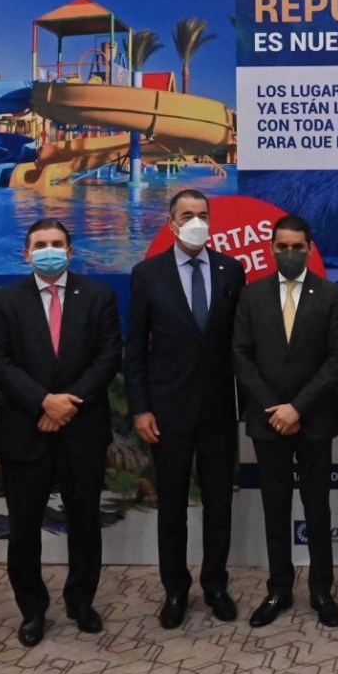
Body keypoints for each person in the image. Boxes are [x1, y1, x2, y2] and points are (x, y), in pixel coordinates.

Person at [0, 220, 121, 646]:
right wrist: (43, 402)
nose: (48, 250)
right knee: (24, 528)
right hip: (24, 430)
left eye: (56, 244)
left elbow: (108, 356)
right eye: (40, 244)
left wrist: (66, 404)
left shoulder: (98, 296)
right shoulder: (4, 301)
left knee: (84, 522)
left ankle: (81, 602)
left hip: (81, 430)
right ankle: (32, 610)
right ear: (26, 253)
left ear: (70, 251)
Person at [125, 188, 246, 629]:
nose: (196, 221)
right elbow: (135, 348)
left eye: (203, 214)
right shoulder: (147, 274)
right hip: (167, 410)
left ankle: (215, 585)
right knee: (172, 504)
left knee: (219, 503)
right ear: (171, 222)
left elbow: (239, 344)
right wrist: (140, 408)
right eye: (187, 214)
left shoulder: (231, 270)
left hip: (218, 409)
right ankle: (175, 590)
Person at [233, 215, 338, 628]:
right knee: (275, 507)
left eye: (297, 247)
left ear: (310, 248)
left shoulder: (331, 295)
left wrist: (297, 408)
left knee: (317, 508)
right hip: (268, 422)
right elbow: (241, 356)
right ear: (271, 248)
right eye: (282, 246)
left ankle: (322, 590)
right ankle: (278, 589)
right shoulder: (251, 295)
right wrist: (274, 409)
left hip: (313, 420)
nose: (289, 253)